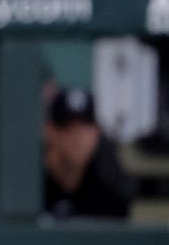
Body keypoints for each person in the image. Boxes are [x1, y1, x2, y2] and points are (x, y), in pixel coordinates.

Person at [43, 87, 136, 219]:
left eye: (86, 127)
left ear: (98, 131)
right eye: (68, 127)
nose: (78, 137)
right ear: (50, 131)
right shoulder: (33, 188)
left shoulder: (110, 192)